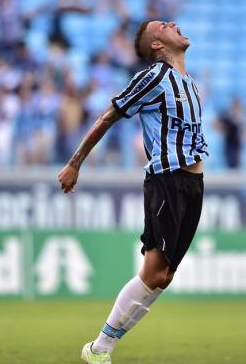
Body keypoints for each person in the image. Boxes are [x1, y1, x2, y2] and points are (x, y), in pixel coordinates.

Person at [58, 20, 208, 363]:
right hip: (166, 179)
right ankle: (100, 348)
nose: (174, 24)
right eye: (164, 25)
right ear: (157, 44)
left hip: (193, 184)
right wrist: (75, 163)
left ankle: (100, 348)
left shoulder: (191, 85)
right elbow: (108, 117)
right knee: (154, 272)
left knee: (163, 277)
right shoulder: (153, 77)